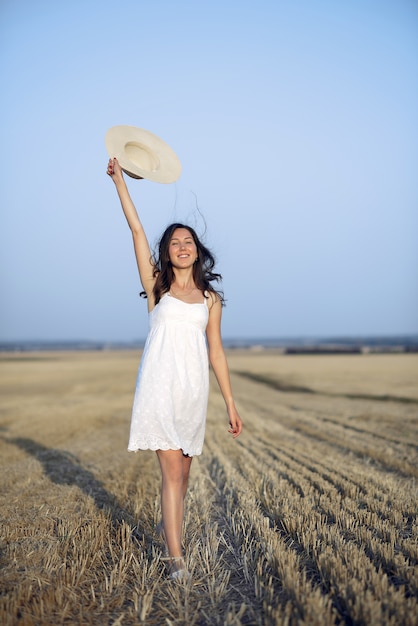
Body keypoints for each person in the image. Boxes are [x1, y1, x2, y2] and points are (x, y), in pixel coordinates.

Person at [107, 157, 242, 580]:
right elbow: (136, 229)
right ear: (166, 253)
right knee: (170, 472)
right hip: (159, 387)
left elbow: (216, 353)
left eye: (188, 242)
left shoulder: (211, 301)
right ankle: (176, 561)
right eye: (174, 243)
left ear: (197, 251)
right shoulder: (157, 288)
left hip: (192, 392)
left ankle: (172, 536)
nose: (182, 247)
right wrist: (119, 183)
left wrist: (231, 405)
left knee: (183, 475)